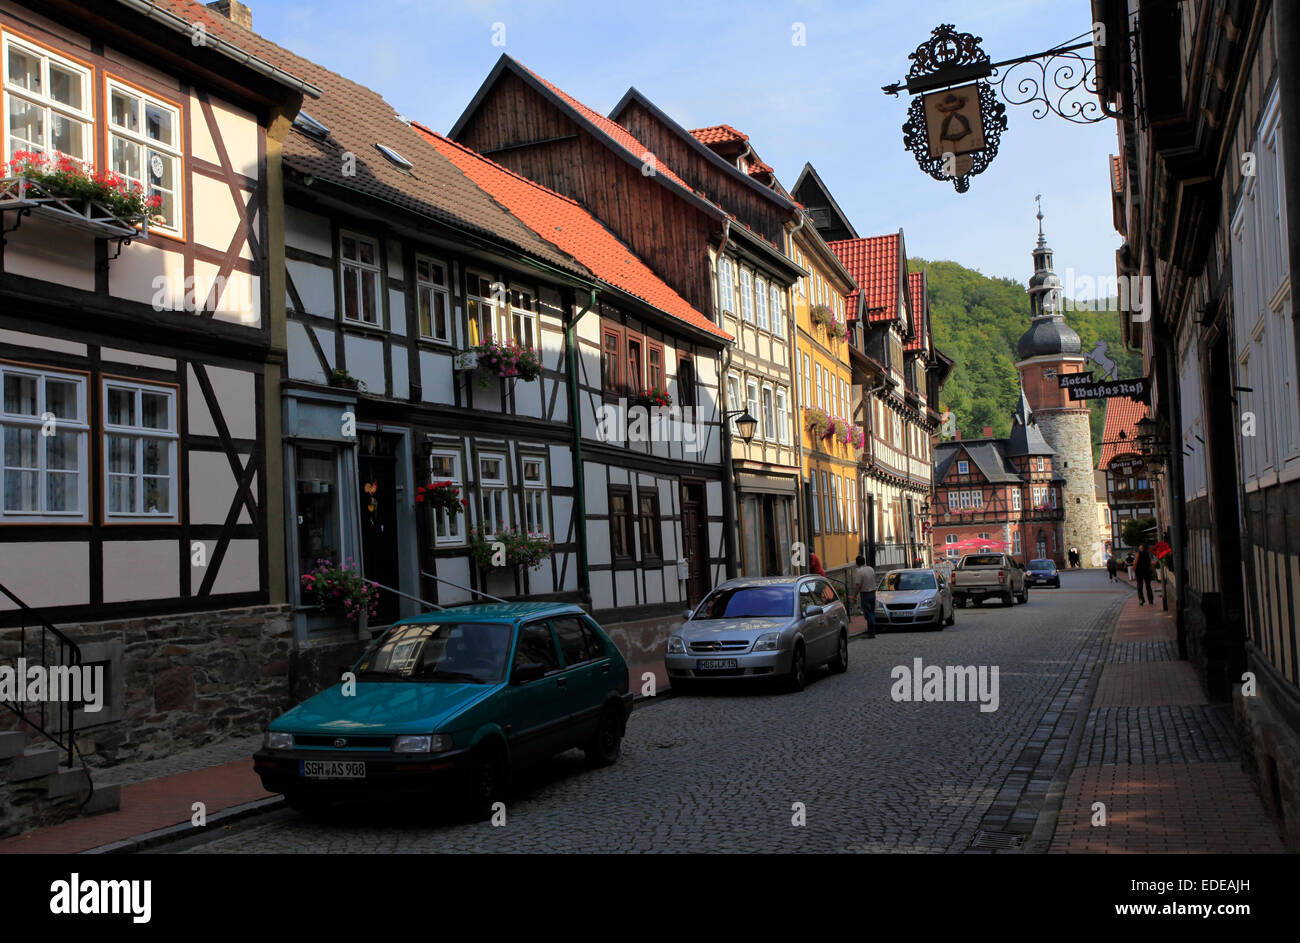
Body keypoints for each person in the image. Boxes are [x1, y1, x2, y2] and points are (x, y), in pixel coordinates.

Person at [850, 554, 877, 639]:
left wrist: (854, 596)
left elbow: (858, 585)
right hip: (873, 593)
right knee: (871, 613)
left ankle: (871, 632)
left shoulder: (859, 572)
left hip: (865, 594)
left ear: (857, 563)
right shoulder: (871, 569)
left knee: (868, 613)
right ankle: (871, 630)